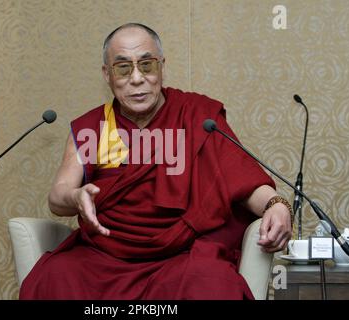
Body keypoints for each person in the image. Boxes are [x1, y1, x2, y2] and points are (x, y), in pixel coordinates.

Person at [19, 23, 293, 300]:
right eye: (123, 68)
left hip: (180, 255)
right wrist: (77, 196)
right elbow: (58, 196)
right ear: (107, 74)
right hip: (105, 255)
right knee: (56, 275)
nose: (137, 79)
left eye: (147, 65)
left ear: (162, 66)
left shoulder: (196, 116)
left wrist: (276, 204)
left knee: (210, 280)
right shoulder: (94, 127)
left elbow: (242, 182)